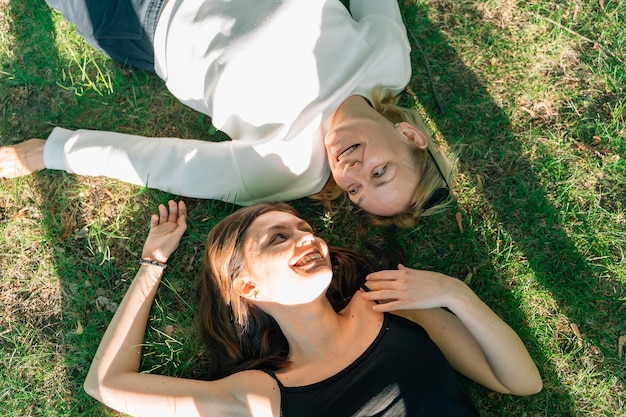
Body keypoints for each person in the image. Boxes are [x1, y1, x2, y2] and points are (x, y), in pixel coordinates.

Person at [0, 0, 453, 227]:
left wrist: (49, 152)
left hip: (141, 18)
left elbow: (166, 165)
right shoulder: (389, 63)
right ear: (411, 136)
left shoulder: (288, 170)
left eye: (354, 190)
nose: (351, 171)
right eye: (379, 172)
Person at [83, 200, 542, 416]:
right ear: (246, 285)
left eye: (304, 227)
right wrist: (151, 264)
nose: (309, 238)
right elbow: (106, 384)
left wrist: (455, 294)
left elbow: (520, 381)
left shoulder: (390, 304)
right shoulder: (261, 395)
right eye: (278, 237)